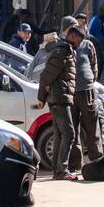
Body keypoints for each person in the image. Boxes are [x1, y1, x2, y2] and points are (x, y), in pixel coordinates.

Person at [36, 29, 78, 180]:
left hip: (59, 98)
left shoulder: (65, 50)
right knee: (69, 134)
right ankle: (62, 170)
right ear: (71, 36)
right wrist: (41, 97)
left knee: (60, 135)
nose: (80, 41)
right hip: (59, 99)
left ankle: (58, 171)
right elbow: (46, 76)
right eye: (79, 37)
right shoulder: (62, 52)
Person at [62, 16, 104, 170]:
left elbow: (95, 64)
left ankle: (96, 159)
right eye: (71, 28)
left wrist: (91, 80)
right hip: (70, 92)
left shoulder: (88, 44)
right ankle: (76, 163)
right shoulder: (62, 46)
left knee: (92, 125)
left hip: (87, 91)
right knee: (73, 129)